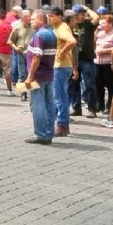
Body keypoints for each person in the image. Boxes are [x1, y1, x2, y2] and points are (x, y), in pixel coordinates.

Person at [24, 9, 57, 144]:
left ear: (41, 20)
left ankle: (41, 134)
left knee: (38, 105)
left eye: (33, 19)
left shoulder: (39, 35)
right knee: (49, 104)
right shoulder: (51, 34)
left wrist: (30, 76)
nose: (31, 21)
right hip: (49, 74)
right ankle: (49, 132)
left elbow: (37, 57)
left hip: (39, 75)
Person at [50, 8, 78, 136]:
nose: (49, 18)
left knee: (60, 96)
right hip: (62, 66)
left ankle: (61, 125)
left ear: (60, 17)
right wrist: (73, 68)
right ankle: (59, 123)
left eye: (52, 16)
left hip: (60, 67)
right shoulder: (61, 27)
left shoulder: (61, 28)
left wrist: (61, 52)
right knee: (60, 95)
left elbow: (72, 42)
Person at [71, 4, 101, 117]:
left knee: (89, 84)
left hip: (87, 58)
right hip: (74, 58)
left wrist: (87, 8)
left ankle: (92, 109)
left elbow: (96, 18)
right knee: (73, 84)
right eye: (80, 14)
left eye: (83, 14)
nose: (82, 16)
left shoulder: (88, 24)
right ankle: (76, 108)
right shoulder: (70, 24)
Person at [93, 14, 113, 115]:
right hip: (98, 62)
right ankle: (100, 104)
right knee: (98, 85)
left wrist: (104, 50)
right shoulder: (99, 33)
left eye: (104, 23)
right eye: (100, 23)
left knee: (110, 85)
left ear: (111, 24)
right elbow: (94, 44)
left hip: (109, 63)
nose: (101, 25)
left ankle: (109, 106)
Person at [7, 10, 33, 101]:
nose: (30, 18)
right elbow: (10, 41)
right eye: (29, 16)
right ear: (23, 18)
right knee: (22, 74)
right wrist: (15, 47)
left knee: (32, 73)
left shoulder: (33, 28)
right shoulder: (17, 28)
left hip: (32, 54)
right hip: (21, 53)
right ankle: (23, 93)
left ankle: (34, 94)